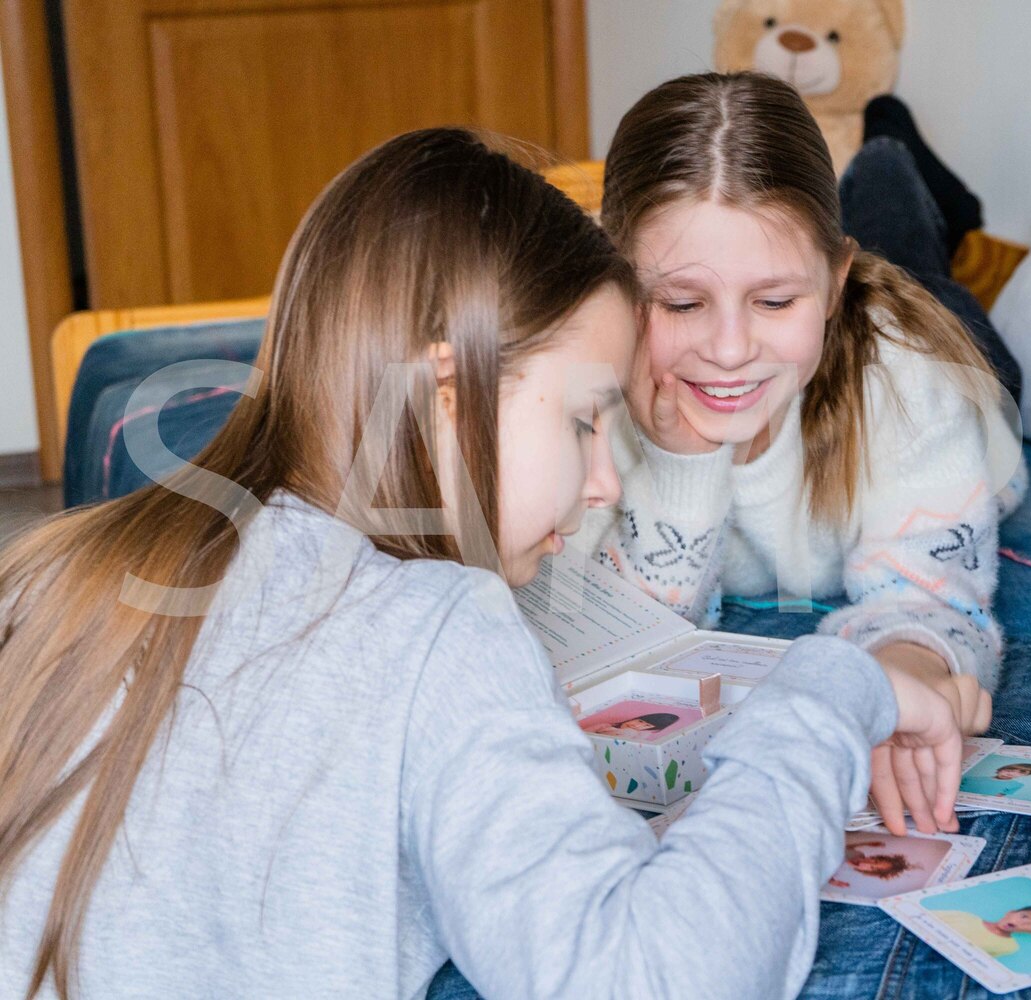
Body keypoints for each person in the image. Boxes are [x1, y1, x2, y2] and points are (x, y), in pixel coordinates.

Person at [0, 127, 966, 1000]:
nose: (606, 483)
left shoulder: (51, 573)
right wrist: (830, 691)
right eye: (586, 419)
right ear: (449, 395)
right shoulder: (437, 627)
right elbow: (655, 978)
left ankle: (902, 195)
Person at [584, 72, 1025, 837]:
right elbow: (619, 650)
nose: (727, 350)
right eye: (682, 304)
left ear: (830, 283)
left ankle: (889, 163)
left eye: (776, 301)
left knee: (926, 276)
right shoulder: (579, 391)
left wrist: (908, 669)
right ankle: (879, 186)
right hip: (826, 315)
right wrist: (680, 468)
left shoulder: (913, 379)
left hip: (940, 361)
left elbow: (934, 598)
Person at [932, 905, 1031, 959]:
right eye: (1024, 916)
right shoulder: (963, 915)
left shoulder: (1009, 947)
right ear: (1010, 913)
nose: (1024, 923)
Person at [826, 838, 917, 887]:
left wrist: (833, 882)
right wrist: (867, 843)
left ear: (870, 872)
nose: (868, 864)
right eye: (875, 861)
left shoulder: (844, 873)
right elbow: (845, 847)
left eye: (873, 867)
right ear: (872, 857)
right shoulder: (859, 854)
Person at [582, 711, 682, 738]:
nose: (637, 726)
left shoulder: (635, 735)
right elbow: (581, 736)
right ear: (635, 718)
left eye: (646, 725)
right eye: (640, 721)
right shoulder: (604, 726)